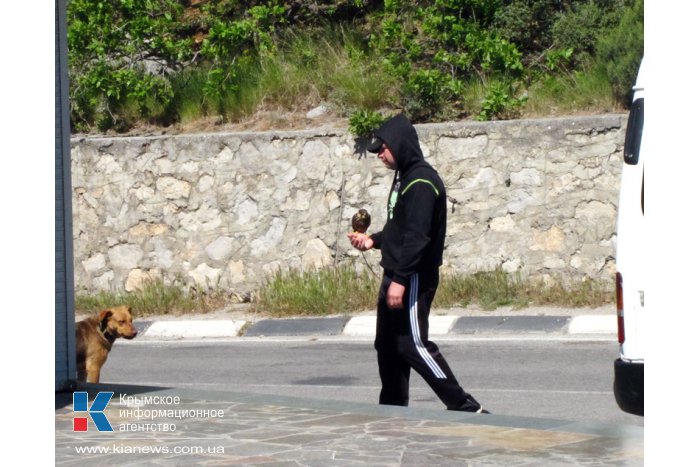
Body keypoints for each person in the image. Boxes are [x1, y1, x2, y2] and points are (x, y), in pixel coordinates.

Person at [347, 114, 489, 413]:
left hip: (412, 278)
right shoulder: (406, 179)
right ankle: (392, 409)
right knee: (387, 346)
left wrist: (400, 279)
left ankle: (464, 406)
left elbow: (418, 238)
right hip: (397, 273)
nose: (380, 155)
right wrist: (373, 240)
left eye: (383, 149)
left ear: (399, 144)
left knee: (413, 345)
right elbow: (400, 229)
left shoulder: (422, 182)